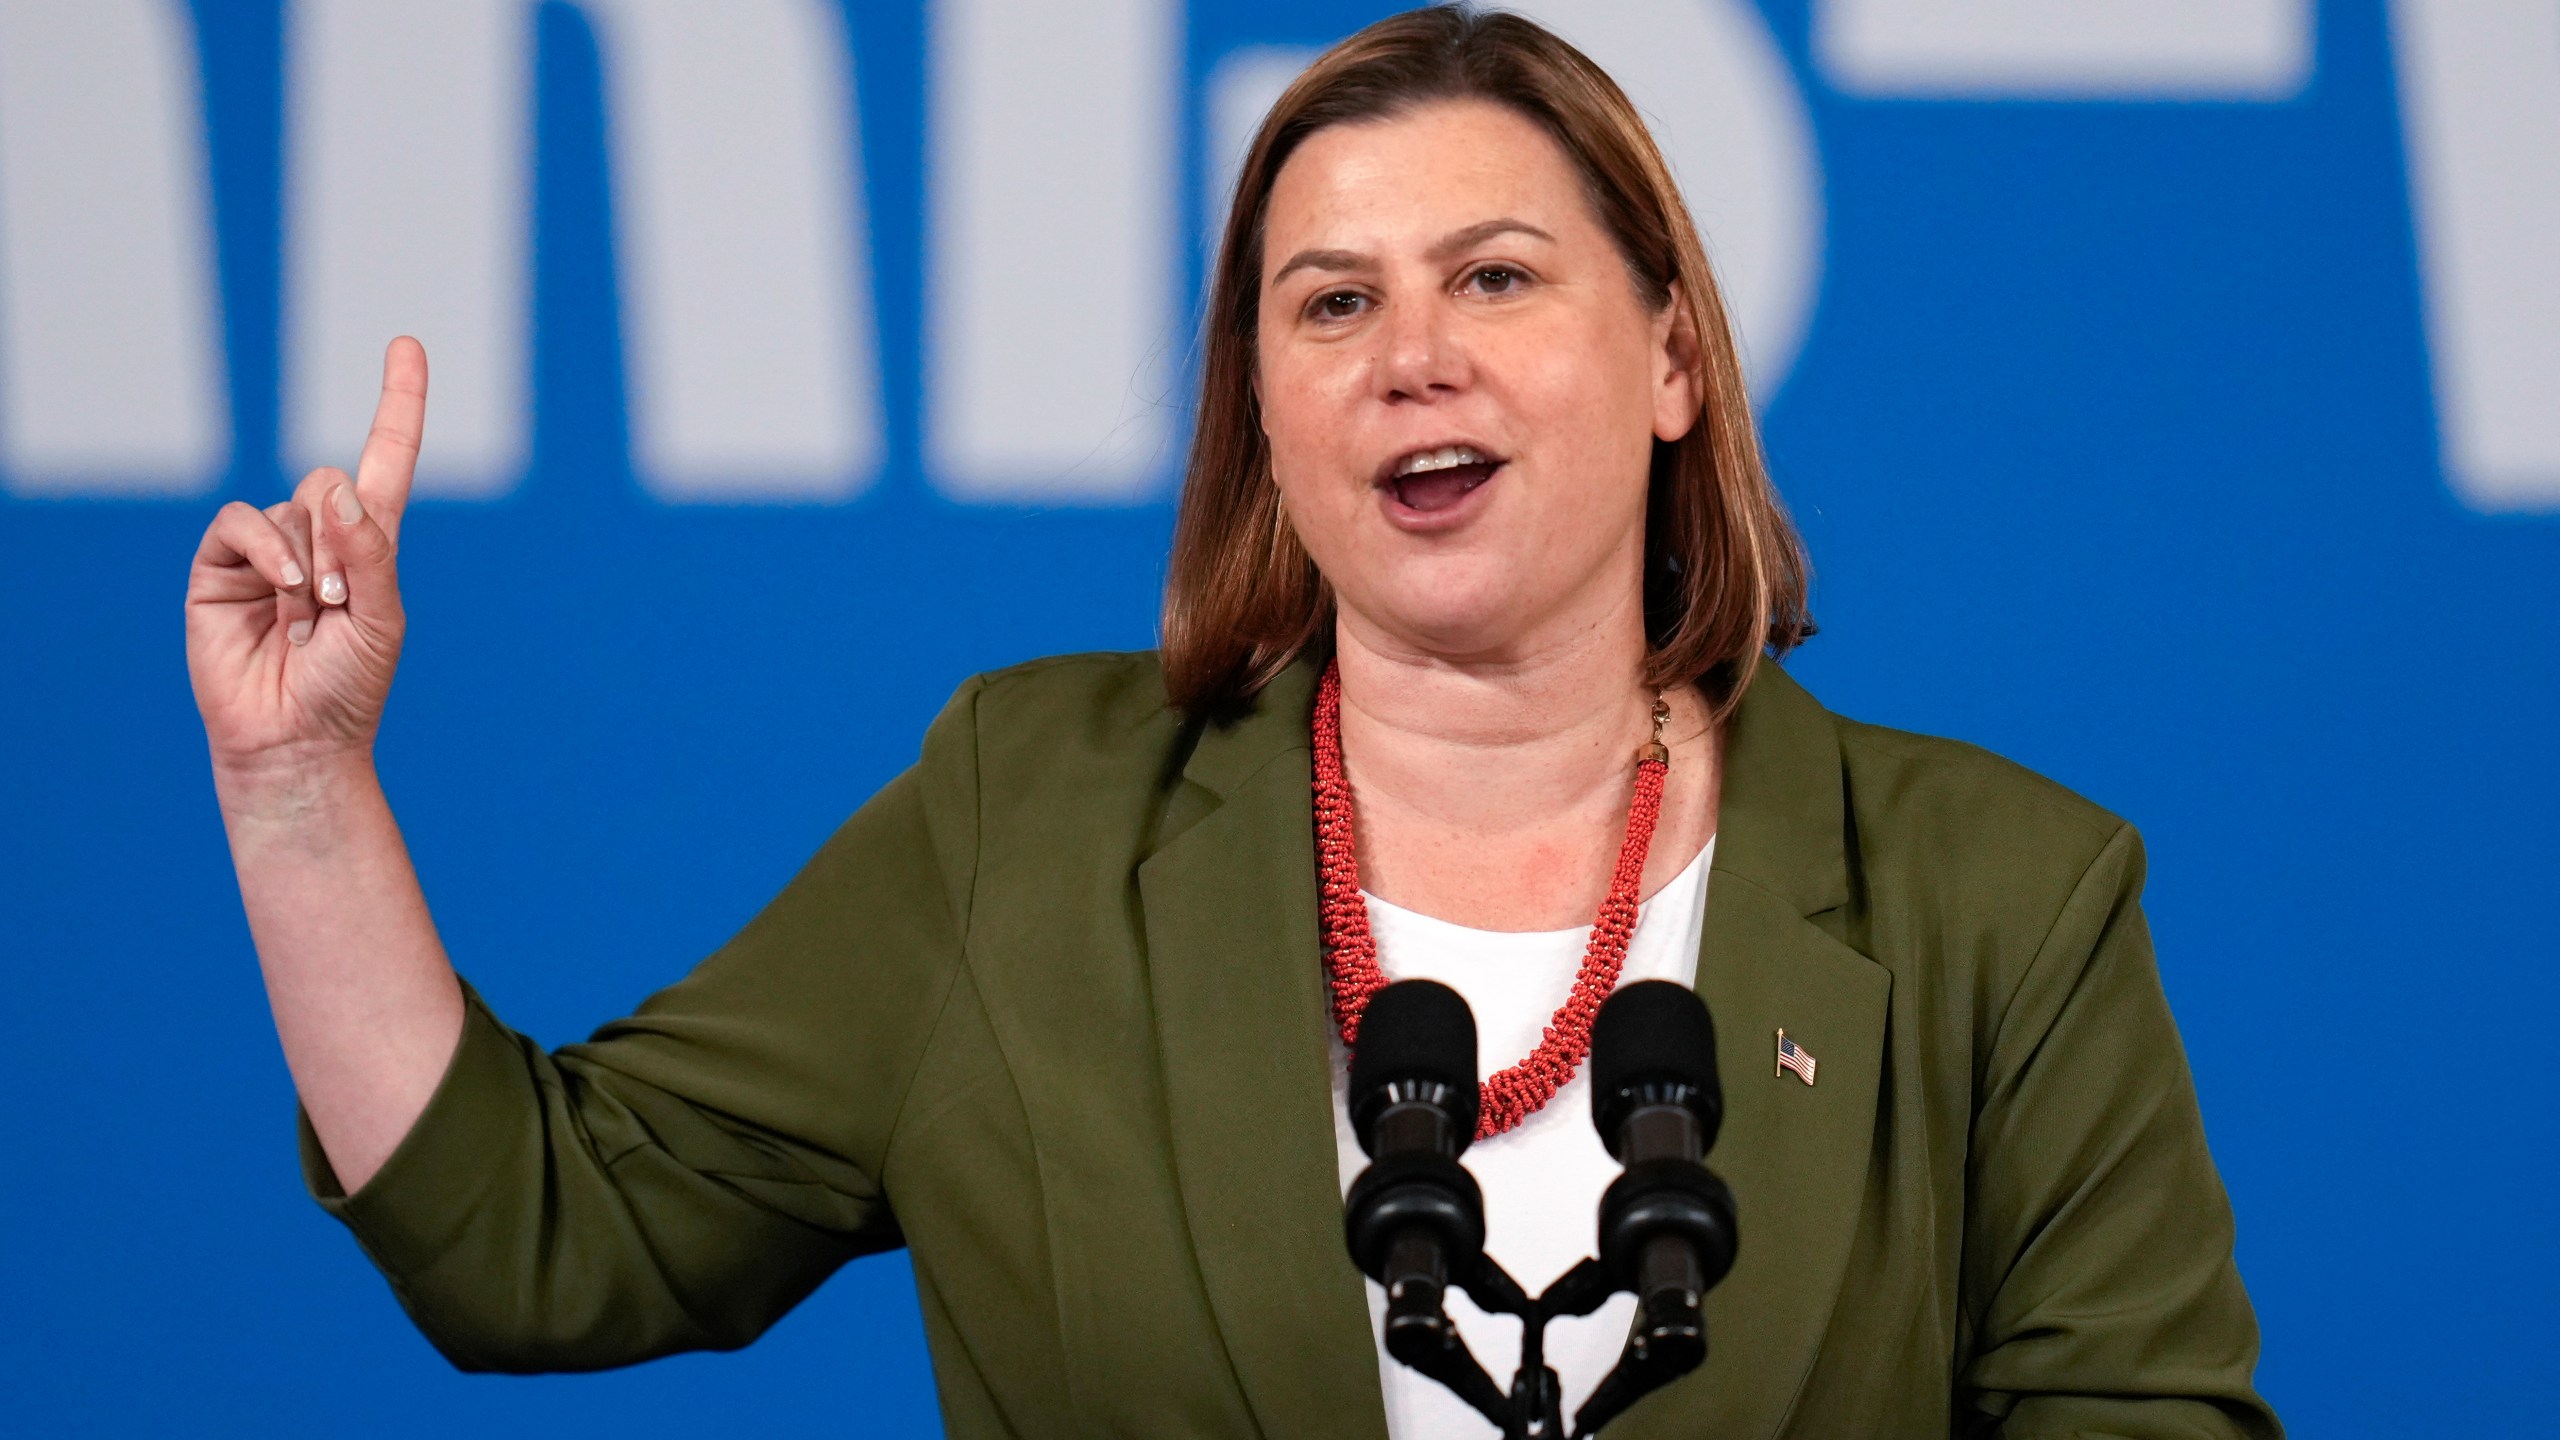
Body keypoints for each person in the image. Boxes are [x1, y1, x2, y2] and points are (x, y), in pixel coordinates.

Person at [183, 9, 2280, 1438]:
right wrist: (295, 790)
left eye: (1492, 279)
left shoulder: (2001, 903)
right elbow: (539, 1235)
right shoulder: (1032, 826)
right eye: (1331, 302)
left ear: (1666, 358)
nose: (1408, 359)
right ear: (1265, 424)